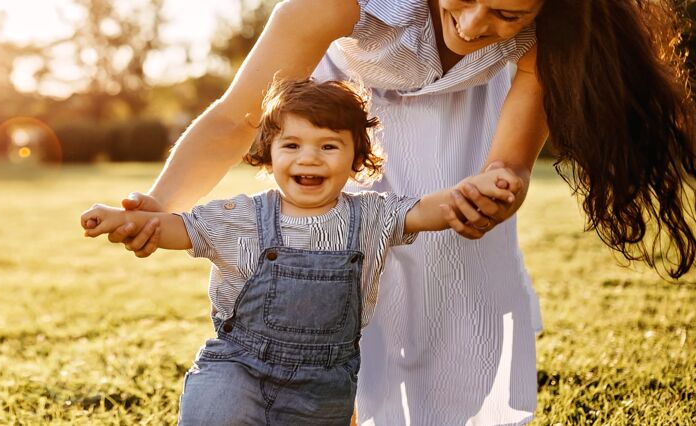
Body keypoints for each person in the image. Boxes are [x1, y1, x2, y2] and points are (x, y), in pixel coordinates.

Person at [97, 0, 696, 423]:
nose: (473, 23)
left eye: (508, 14)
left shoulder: (558, 28)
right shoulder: (335, 3)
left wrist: (499, 184)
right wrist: (158, 208)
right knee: (336, 259)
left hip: (462, 119)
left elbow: (507, 163)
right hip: (347, 118)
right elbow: (236, 117)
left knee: (450, 275)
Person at [82, 78, 518, 424]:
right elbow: (177, 227)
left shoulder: (371, 218)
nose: (309, 158)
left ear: (356, 159)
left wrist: (473, 190)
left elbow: (427, 211)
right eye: (292, 145)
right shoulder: (241, 215)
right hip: (238, 368)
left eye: (329, 146)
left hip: (323, 387)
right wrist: (126, 219)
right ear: (269, 156)